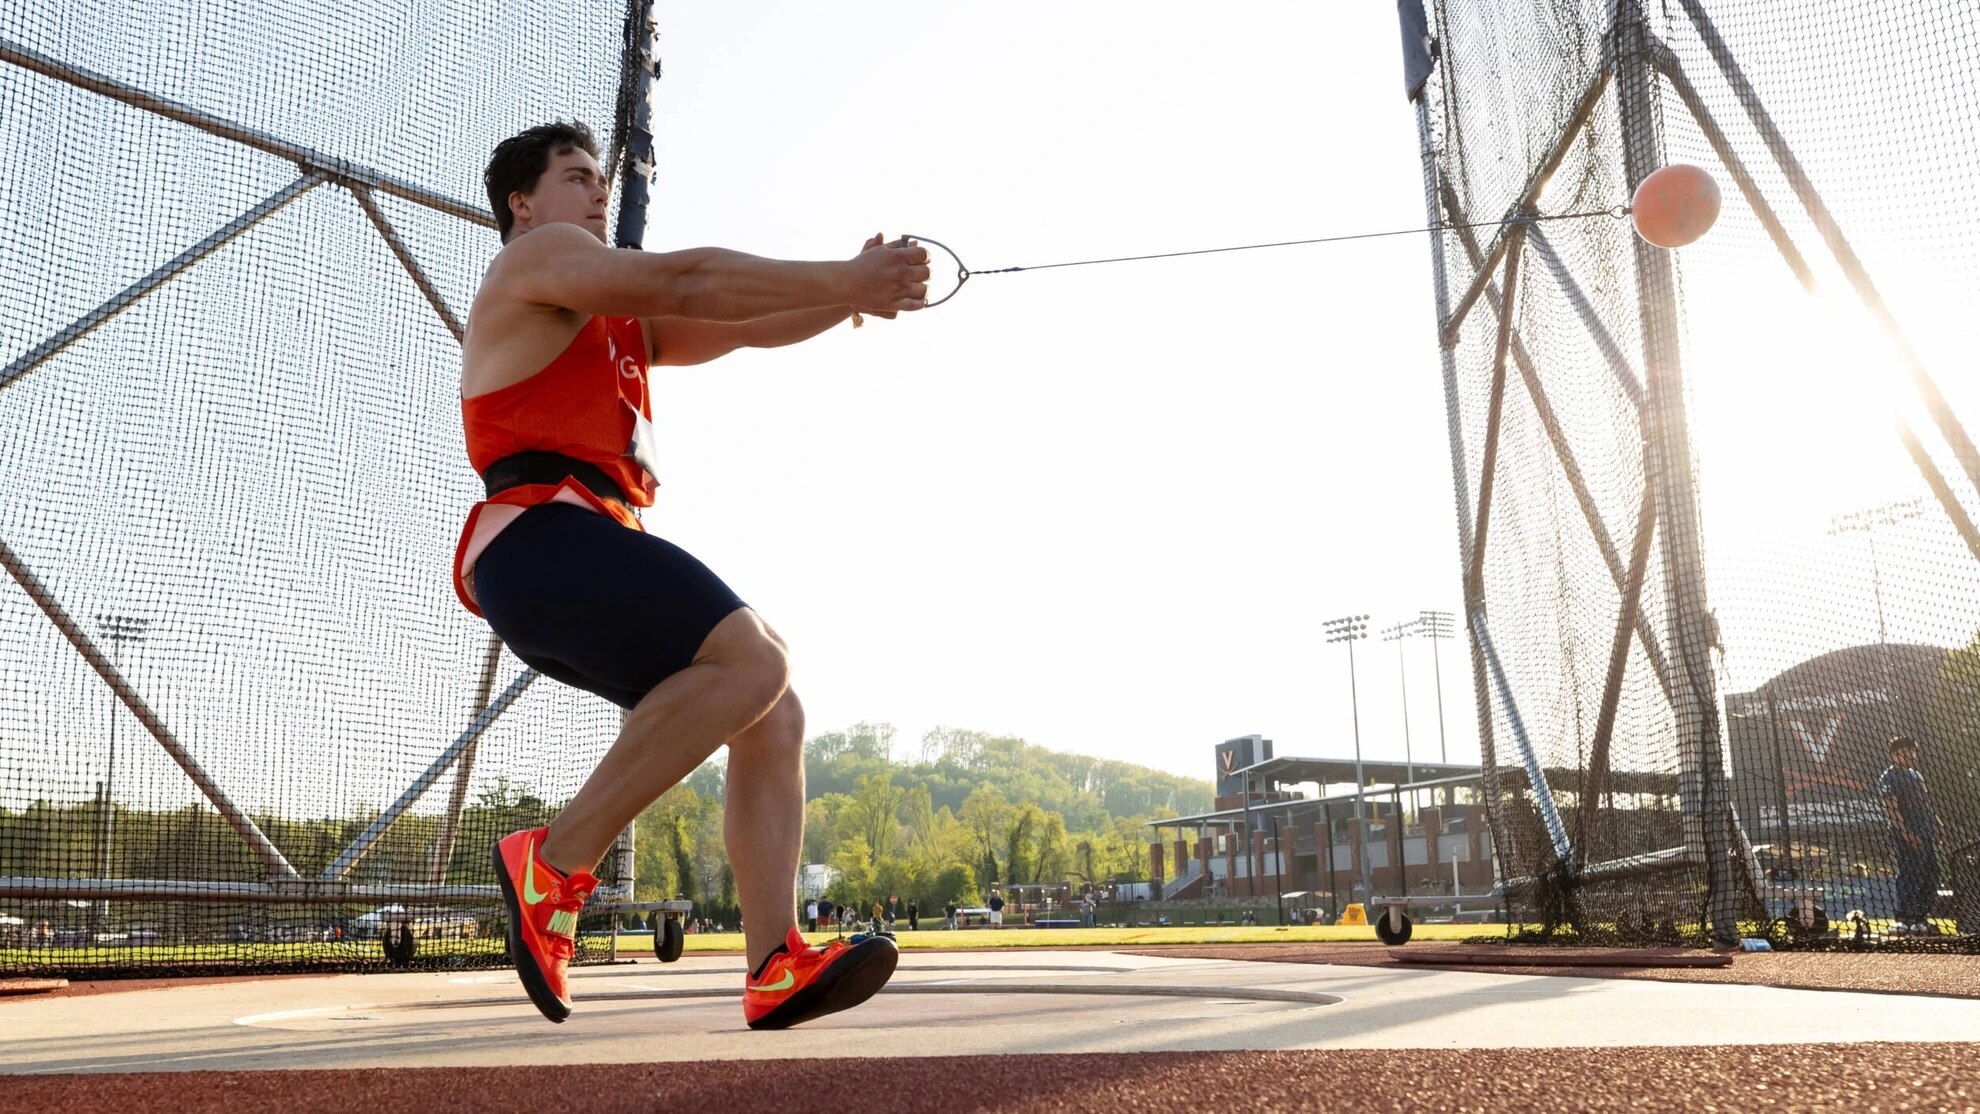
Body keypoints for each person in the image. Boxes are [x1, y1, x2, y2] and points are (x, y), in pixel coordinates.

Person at [471, 121, 929, 1030]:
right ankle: (551, 863)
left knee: (771, 707)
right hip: (537, 538)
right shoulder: (537, 259)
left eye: (600, 179)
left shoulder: (612, 317)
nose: (598, 192)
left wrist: (847, 297)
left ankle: (774, 963)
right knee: (755, 660)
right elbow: (691, 278)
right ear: (523, 204)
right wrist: (844, 278)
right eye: (576, 176)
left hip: (574, 547)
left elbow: (738, 323)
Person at [1877, 736, 1940, 934]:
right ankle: (1903, 919)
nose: (1910, 755)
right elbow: (1892, 809)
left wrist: (1938, 825)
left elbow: (1926, 803)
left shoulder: (1916, 775)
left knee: (1931, 873)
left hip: (1925, 830)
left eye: (1912, 751)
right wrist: (1906, 833)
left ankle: (1920, 918)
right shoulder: (1889, 777)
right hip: (1905, 832)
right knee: (1910, 873)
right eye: (1905, 752)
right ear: (1894, 755)